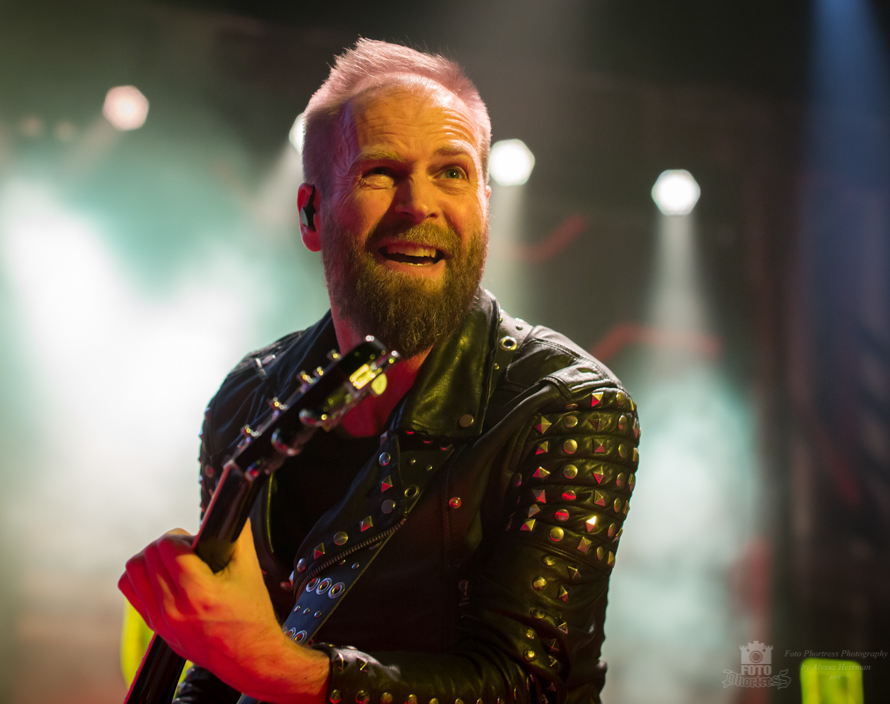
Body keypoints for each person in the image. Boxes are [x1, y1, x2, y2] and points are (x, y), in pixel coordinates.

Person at [119, 39, 640, 704]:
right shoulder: (250, 398)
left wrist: (280, 668)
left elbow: (522, 688)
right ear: (311, 214)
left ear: (484, 207)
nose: (418, 205)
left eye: (451, 173)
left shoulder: (566, 407)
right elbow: (227, 661)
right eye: (380, 173)